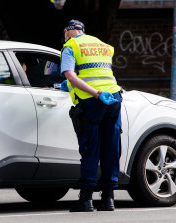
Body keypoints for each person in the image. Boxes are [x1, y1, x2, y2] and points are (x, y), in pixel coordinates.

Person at [60, 19, 122, 212]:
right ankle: (108, 199)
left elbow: (71, 75)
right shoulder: (102, 45)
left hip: (93, 101)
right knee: (111, 149)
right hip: (114, 98)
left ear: (67, 32)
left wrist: (95, 93)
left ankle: (86, 199)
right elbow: (99, 72)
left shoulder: (70, 46)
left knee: (90, 149)